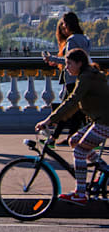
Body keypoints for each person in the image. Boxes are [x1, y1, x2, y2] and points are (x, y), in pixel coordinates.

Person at [35, 48, 109, 206]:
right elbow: (74, 105)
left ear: (79, 63)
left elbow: (72, 101)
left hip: (106, 122)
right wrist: (55, 119)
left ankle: (80, 193)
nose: (66, 67)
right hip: (101, 120)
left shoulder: (86, 78)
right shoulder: (87, 74)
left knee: (79, 150)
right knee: (74, 140)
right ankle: (105, 171)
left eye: (69, 64)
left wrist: (49, 120)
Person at [44, 12, 91, 145]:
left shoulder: (71, 40)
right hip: (81, 76)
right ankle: (71, 137)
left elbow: (69, 60)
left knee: (65, 109)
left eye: (63, 25)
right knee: (76, 112)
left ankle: (53, 138)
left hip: (71, 78)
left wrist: (51, 59)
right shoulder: (85, 39)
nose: (62, 28)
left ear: (68, 25)